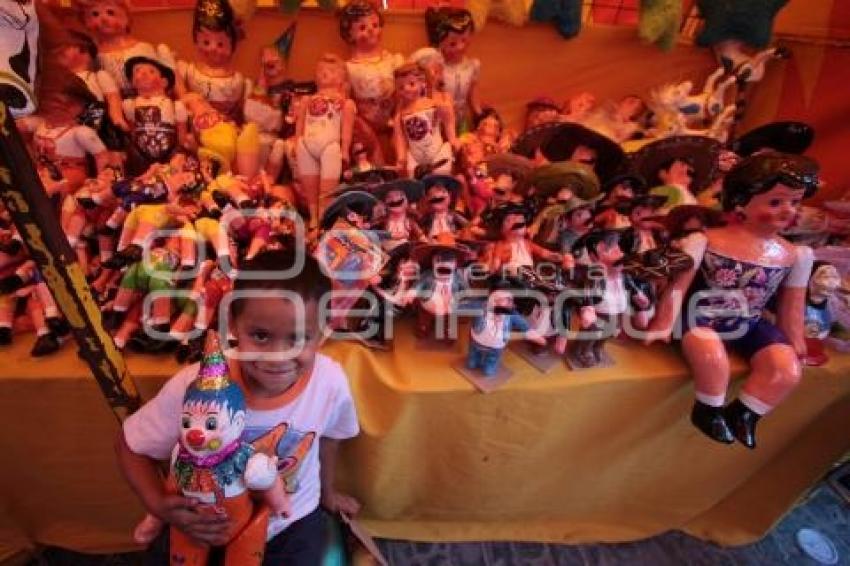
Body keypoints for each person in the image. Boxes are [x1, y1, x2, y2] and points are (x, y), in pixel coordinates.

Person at [115, 249, 361, 565]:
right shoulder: (194, 387)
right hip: (204, 523)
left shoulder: (330, 381)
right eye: (260, 336)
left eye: (297, 339)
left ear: (322, 333)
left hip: (290, 521)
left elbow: (330, 437)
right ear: (233, 325)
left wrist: (327, 494)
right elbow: (130, 445)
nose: (277, 356)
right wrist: (158, 504)